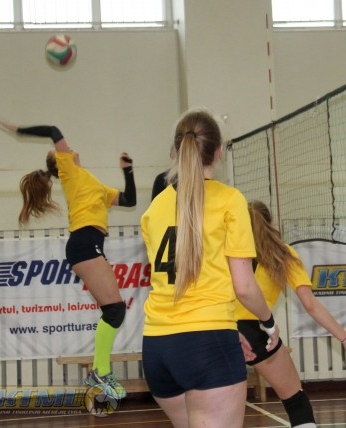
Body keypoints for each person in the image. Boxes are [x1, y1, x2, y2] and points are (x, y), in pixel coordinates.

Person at [140, 109, 280, 428]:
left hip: (157, 346)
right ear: (218, 151)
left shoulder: (155, 207)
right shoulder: (230, 200)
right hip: (207, 343)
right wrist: (269, 324)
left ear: (177, 150)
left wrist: (226, 331)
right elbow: (244, 286)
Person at [0, 120, 137, 400]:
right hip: (84, 243)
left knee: (114, 311)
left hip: (90, 244)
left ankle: (100, 370)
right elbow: (53, 130)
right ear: (60, 163)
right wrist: (19, 130)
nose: (69, 149)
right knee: (115, 310)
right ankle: (100, 371)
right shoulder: (70, 171)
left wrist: (128, 171)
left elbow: (130, 200)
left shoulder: (93, 183)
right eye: (64, 151)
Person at [236, 200, 346, 428]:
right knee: (296, 402)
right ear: (271, 222)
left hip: (218, 329)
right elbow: (311, 305)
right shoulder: (283, 253)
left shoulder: (229, 252)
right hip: (256, 333)